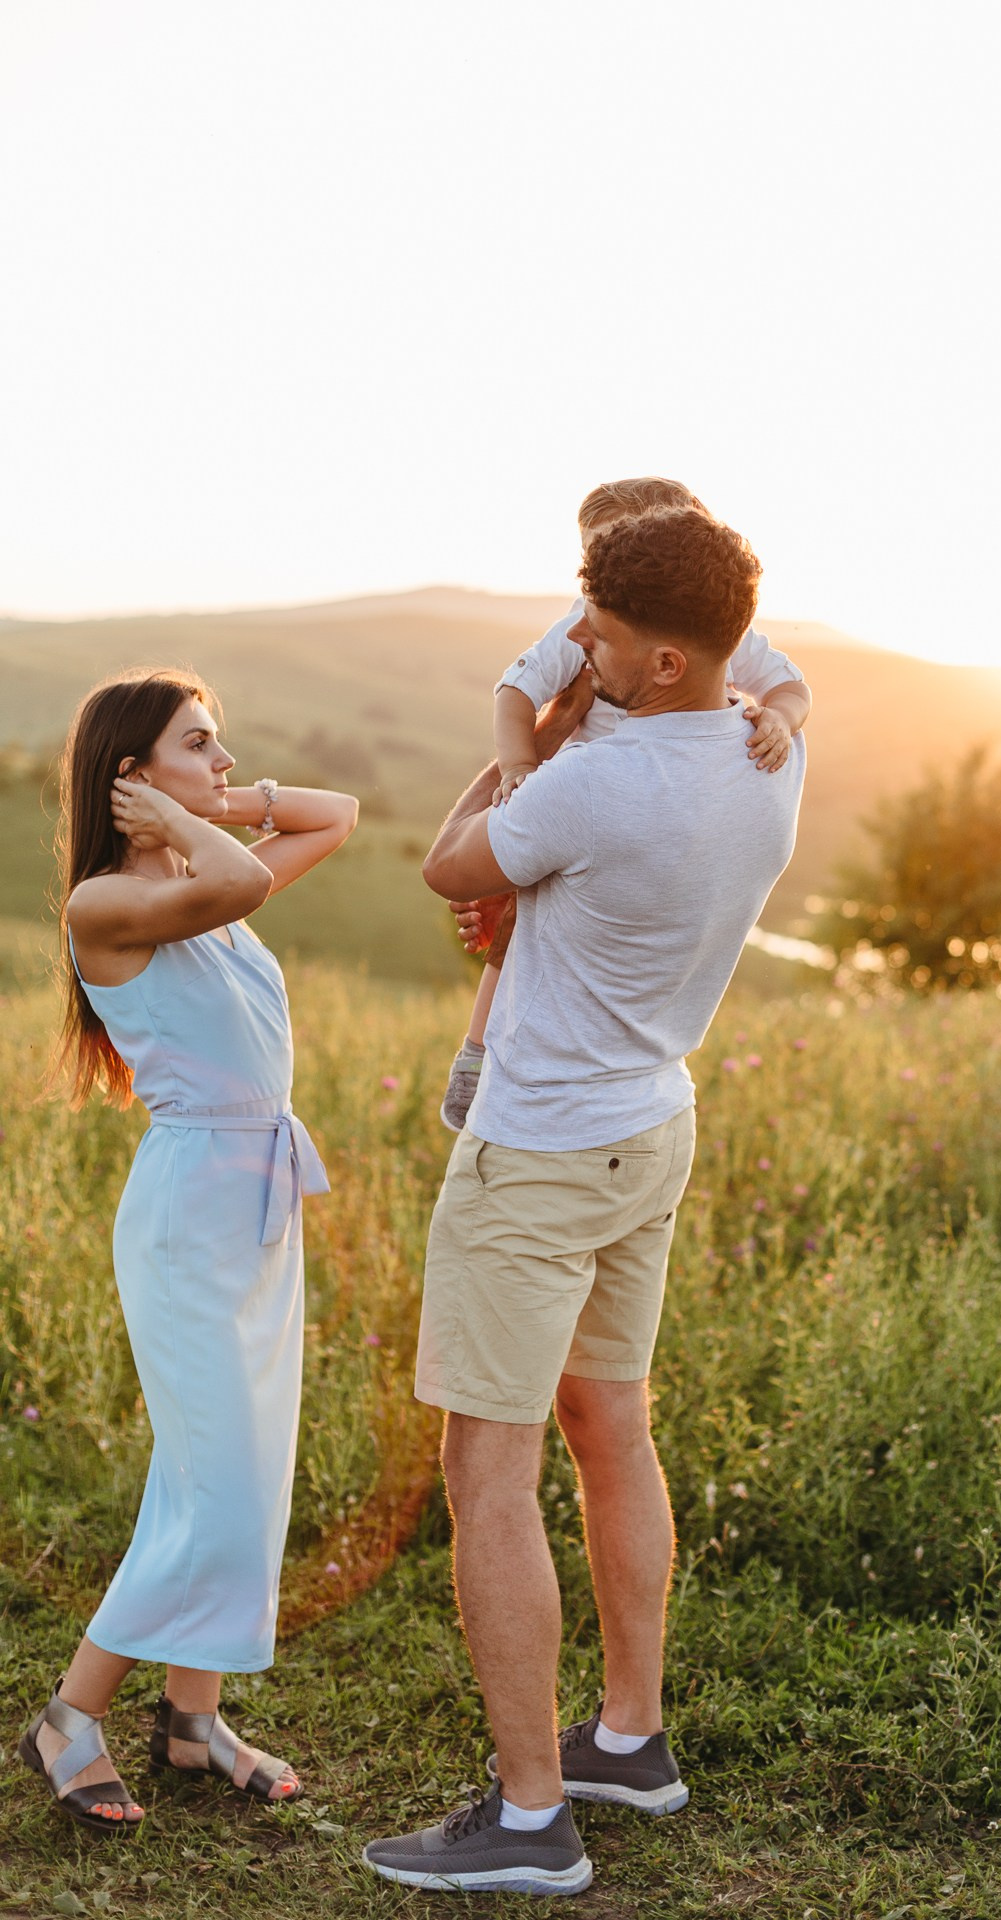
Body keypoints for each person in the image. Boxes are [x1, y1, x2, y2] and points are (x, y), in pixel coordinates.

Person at [362, 508, 805, 1895]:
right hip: (649, 1127)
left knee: (487, 1472)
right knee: (612, 1422)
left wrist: (536, 744)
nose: (582, 653)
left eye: (603, 637)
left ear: (667, 658)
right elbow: (780, 679)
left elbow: (449, 865)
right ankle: (630, 1738)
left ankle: (534, 1818)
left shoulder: (595, 784)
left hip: (541, 1150)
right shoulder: (768, 757)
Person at [19, 670, 358, 1836]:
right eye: (200, 745)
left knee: (246, 1473)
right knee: (214, 1486)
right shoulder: (107, 907)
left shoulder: (196, 886)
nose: (225, 764)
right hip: (186, 1221)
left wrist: (210, 798)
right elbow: (255, 868)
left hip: (257, 1209)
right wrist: (179, 825)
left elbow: (334, 815)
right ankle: (68, 1718)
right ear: (129, 774)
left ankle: (191, 1719)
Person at [438, 474, 812, 1131]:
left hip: (615, 813)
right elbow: (515, 692)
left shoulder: (721, 641)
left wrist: (780, 717)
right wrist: (524, 766)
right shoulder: (580, 627)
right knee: (511, 937)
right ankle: (477, 1055)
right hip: (573, 804)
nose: (604, 585)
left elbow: (788, 685)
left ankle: (490, 1061)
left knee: (534, 929)